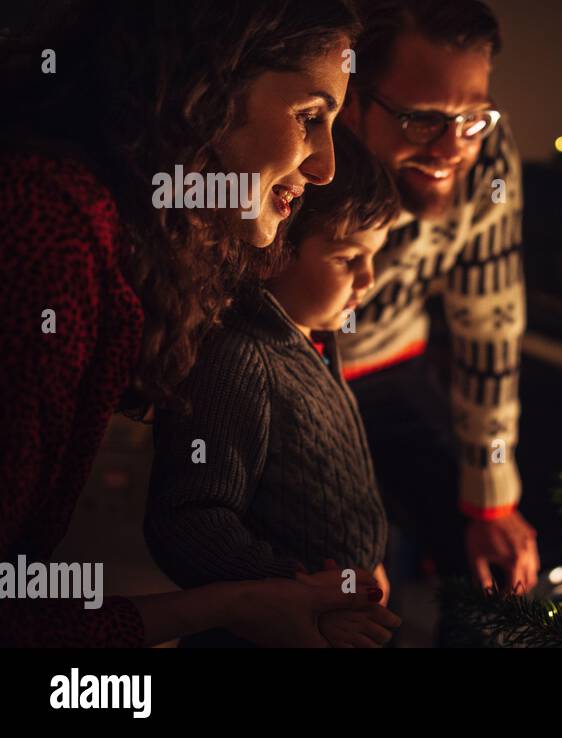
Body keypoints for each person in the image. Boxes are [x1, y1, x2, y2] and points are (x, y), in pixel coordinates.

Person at [0, 0, 391, 647]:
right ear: (206, 84)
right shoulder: (51, 238)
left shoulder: (108, 242)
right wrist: (234, 604)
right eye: (309, 117)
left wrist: (246, 602)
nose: (324, 167)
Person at [146, 127, 403, 648]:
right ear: (278, 249)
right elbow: (190, 521)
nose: (369, 278)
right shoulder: (237, 358)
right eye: (347, 257)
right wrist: (299, 594)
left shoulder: (313, 336)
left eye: (374, 256)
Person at [338, 0, 539, 603]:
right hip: (283, 377)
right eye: (422, 120)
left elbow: (490, 327)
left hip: (394, 361)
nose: (454, 148)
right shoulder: (306, 153)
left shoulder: (488, 156)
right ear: (352, 102)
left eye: (473, 118)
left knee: (493, 567)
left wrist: (491, 501)